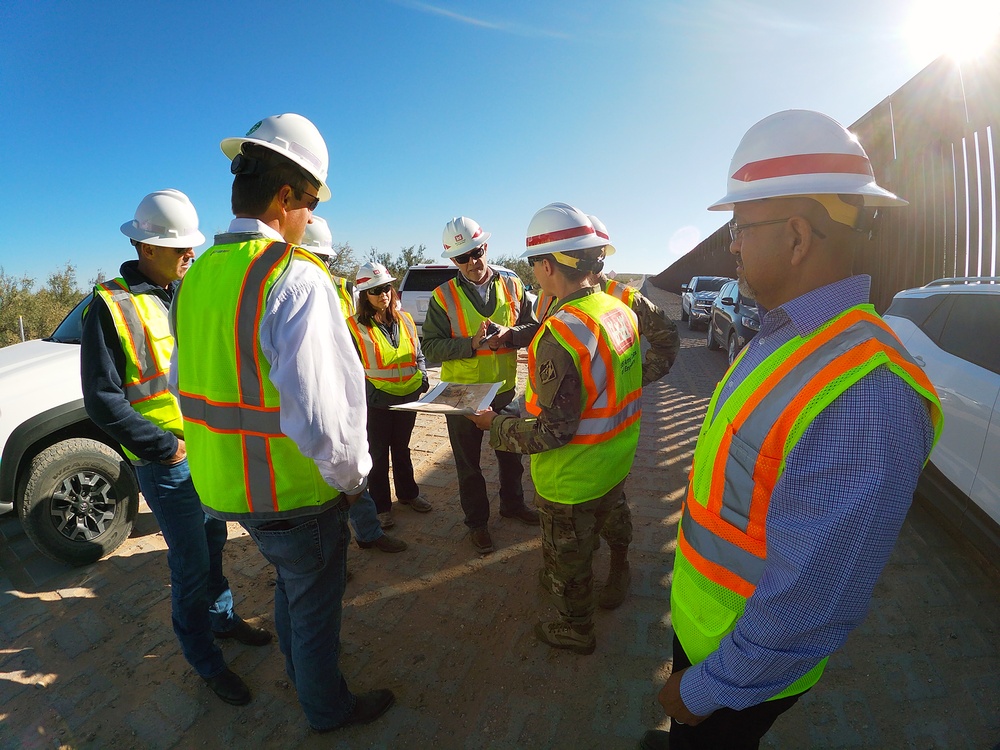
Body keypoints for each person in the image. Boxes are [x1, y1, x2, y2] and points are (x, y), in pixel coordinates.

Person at [639, 110, 943, 750]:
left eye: (742, 228)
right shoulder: (784, 335)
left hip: (738, 677)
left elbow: (815, 600)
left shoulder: (868, 393)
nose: (734, 246)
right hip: (708, 636)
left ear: (798, 237)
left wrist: (699, 692)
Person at [170, 113, 394, 731]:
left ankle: (300, 672)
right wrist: (353, 482)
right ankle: (326, 707)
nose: (311, 215)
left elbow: (179, 383)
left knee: (291, 583)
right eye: (313, 200)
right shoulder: (295, 279)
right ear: (288, 196)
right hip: (296, 494)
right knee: (317, 607)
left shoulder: (195, 279)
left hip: (225, 491)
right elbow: (326, 417)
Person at [81, 190, 273, 707]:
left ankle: (224, 619)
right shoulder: (111, 304)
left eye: (193, 247)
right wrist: (164, 448)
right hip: (166, 463)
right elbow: (102, 401)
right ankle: (204, 658)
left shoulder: (186, 289)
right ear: (146, 246)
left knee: (214, 546)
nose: (191, 255)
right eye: (180, 249)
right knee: (189, 565)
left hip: (205, 451)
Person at [468, 202, 642, 654]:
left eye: (532, 264)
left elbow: (552, 433)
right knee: (612, 517)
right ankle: (621, 565)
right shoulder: (616, 309)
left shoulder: (562, 333)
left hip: (573, 474)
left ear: (546, 266)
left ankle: (574, 627)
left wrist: (494, 426)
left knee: (567, 559)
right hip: (615, 458)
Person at [421, 216, 540, 554]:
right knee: (468, 465)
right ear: (453, 260)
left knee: (511, 455)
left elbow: (534, 325)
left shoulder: (514, 287)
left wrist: (511, 336)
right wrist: (471, 345)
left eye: (476, 252)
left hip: (504, 390)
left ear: (485, 247)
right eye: (463, 257)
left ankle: (513, 505)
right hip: (463, 396)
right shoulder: (442, 297)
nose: (473, 262)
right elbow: (430, 347)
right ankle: (476, 524)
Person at [300, 222, 408, 553]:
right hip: (314, 399)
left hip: (353, 399)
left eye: (325, 259)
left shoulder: (339, 290)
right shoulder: (286, 290)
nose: (321, 266)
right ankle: (333, 553)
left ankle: (369, 531)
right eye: (314, 257)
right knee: (323, 482)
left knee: (355, 468)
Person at [347, 261, 433, 529]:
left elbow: (417, 353)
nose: (383, 294)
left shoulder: (405, 318)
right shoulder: (353, 326)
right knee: (379, 453)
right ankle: (382, 507)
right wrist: (368, 393)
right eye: (375, 290)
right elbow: (349, 366)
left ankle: (409, 495)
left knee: (402, 449)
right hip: (377, 401)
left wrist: (423, 377)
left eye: (387, 287)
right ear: (364, 296)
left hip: (408, 396)